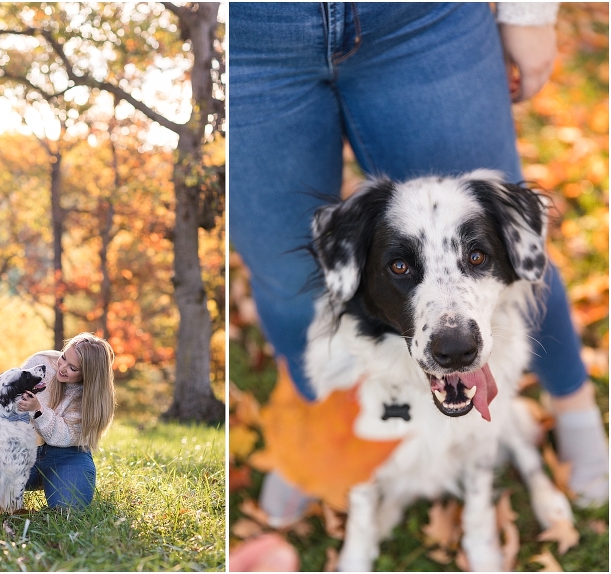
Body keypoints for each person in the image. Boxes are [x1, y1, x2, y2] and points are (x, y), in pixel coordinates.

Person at [229, 1, 608, 537]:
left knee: (518, 254)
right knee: (288, 282)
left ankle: (574, 408)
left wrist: (529, 12)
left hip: (422, 16)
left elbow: (521, 253)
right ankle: (316, 426)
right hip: (242, 41)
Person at [18, 332, 116, 509]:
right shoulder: (41, 363)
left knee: (68, 508)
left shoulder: (91, 401)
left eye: (73, 368)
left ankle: (59, 479)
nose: (62, 368)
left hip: (66, 455)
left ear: (89, 375)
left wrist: (38, 410)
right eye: (63, 358)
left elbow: (62, 436)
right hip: (22, 450)